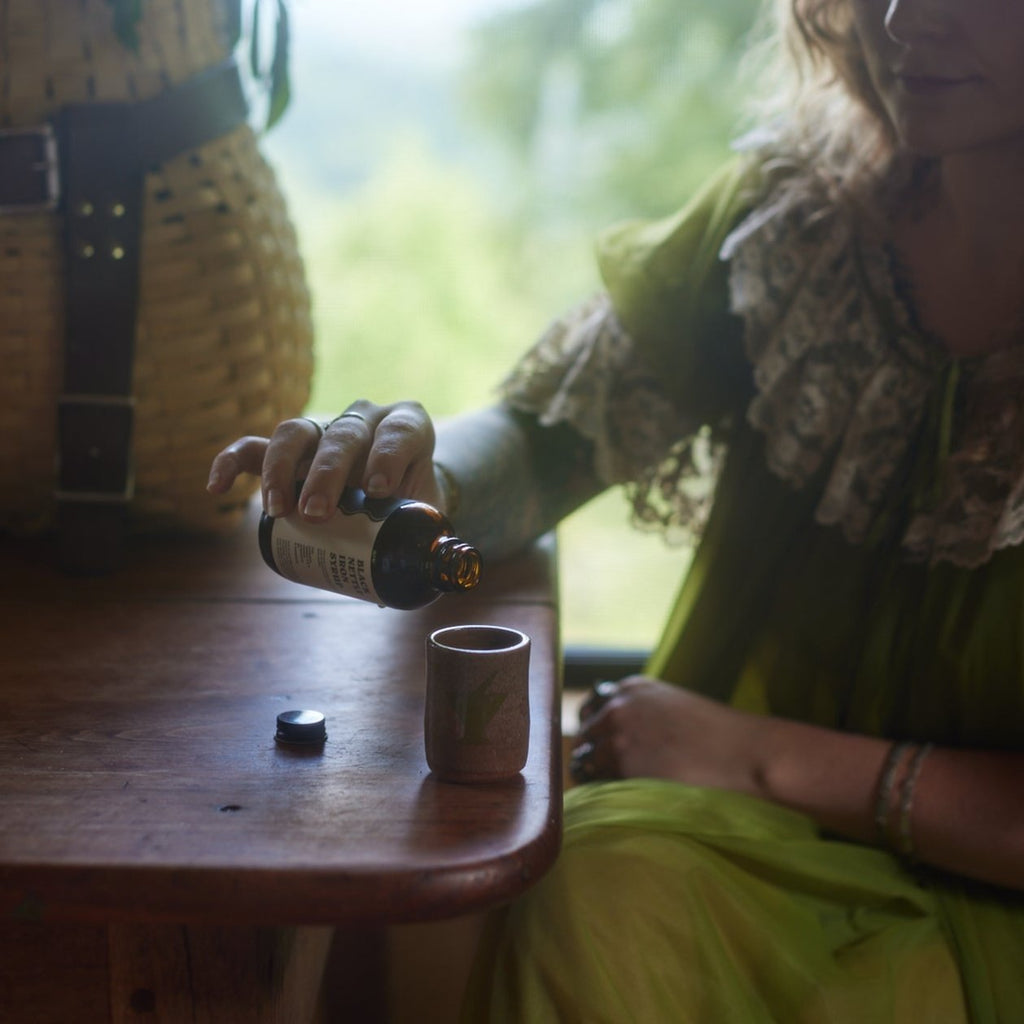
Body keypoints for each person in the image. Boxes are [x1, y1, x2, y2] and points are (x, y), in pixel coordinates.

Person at [208, 0, 1024, 1018]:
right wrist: (416, 468)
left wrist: (757, 756)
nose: (903, 16)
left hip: (967, 910)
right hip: (725, 835)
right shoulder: (808, 217)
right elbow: (549, 436)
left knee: (605, 891)